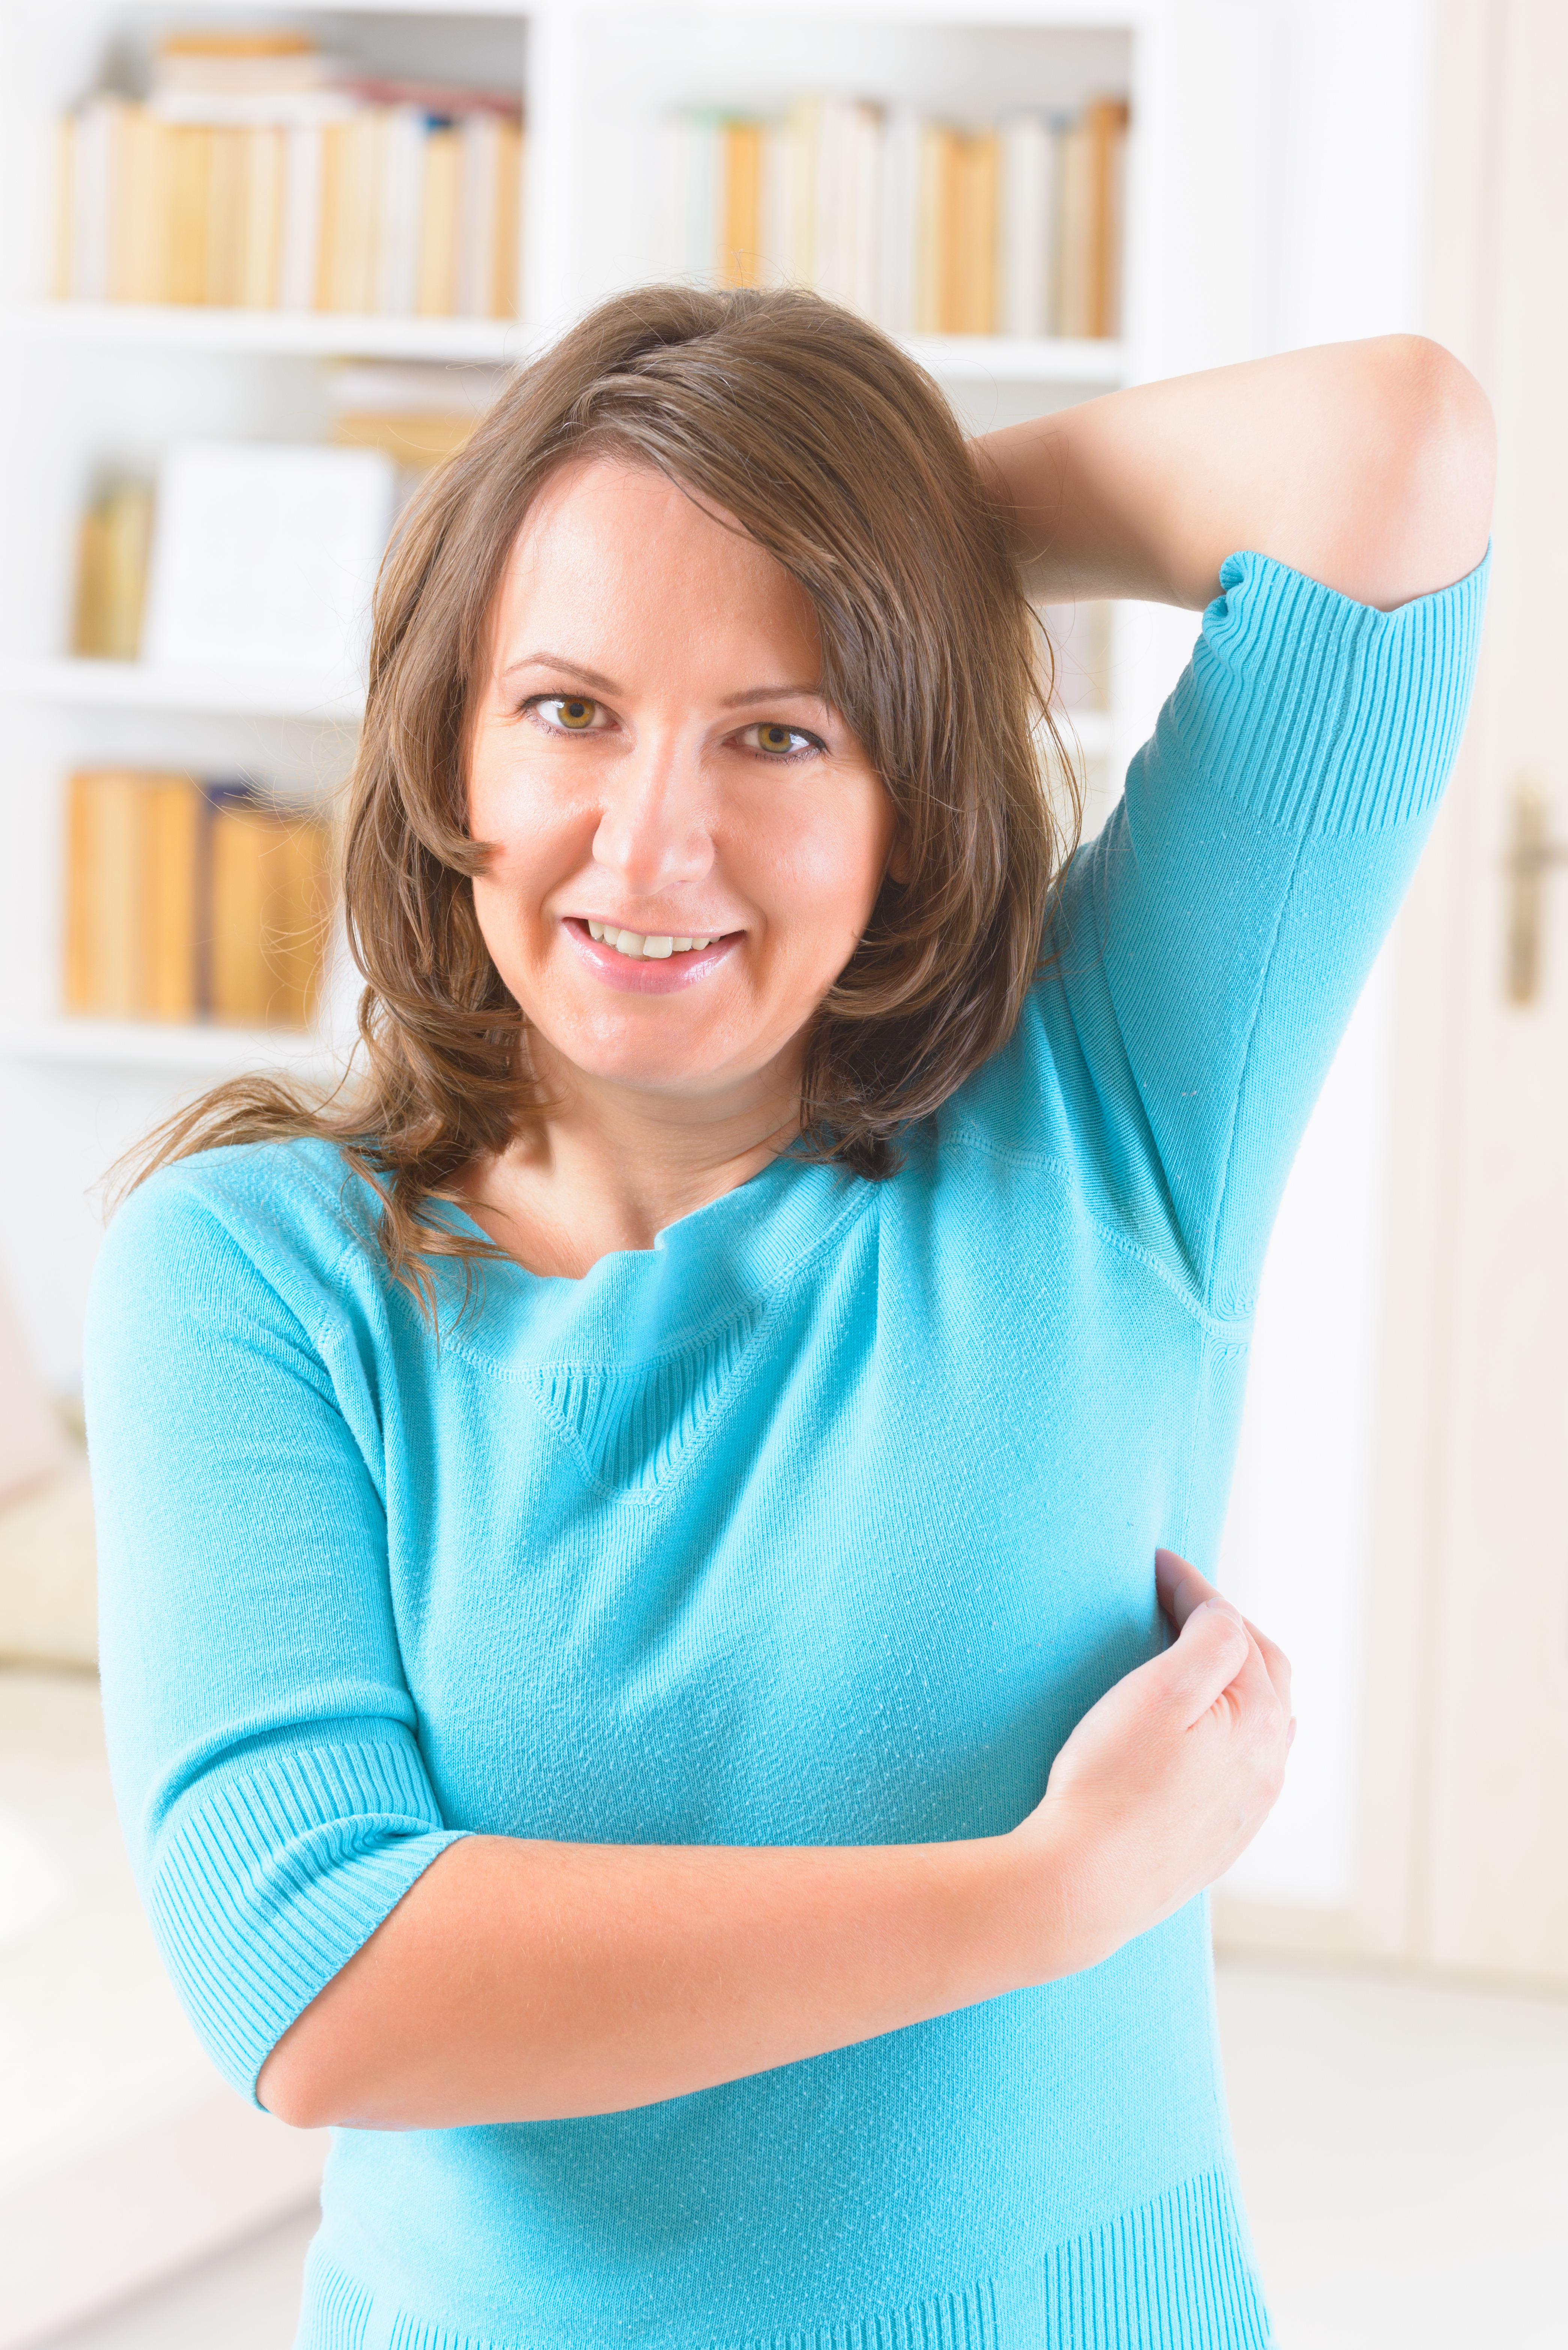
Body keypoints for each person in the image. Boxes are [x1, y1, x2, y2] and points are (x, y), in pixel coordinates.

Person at [86, 286, 1492, 2350]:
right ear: (447, 738)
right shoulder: (254, 1265)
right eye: (569, 705)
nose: (654, 840)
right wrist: (1036, 1894)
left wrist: (848, 553)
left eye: (780, 727)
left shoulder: (1110, 1104)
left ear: (903, 793)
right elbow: (313, 1973)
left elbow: (1391, 449)